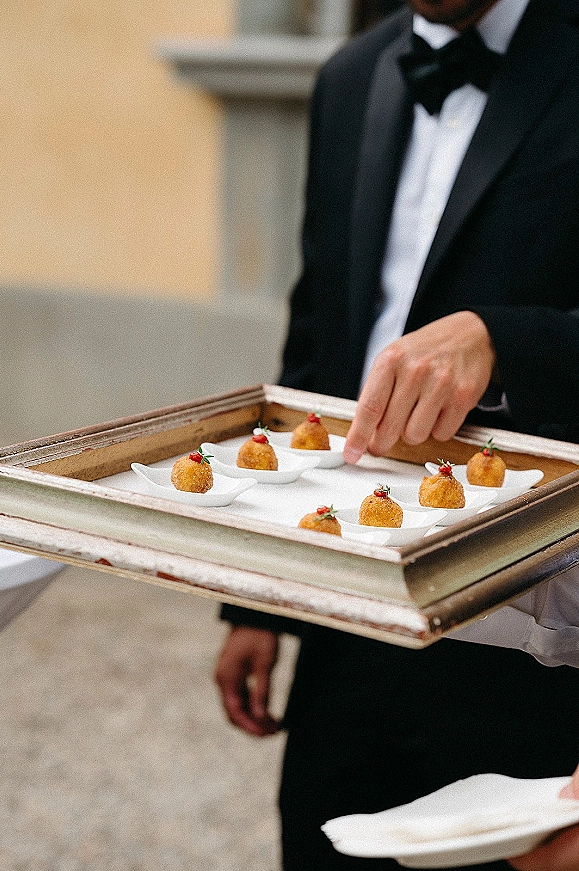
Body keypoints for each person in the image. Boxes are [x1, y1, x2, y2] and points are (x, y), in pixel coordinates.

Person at [215, 0, 579, 869]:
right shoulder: (348, 75)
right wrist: (257, 599)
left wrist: (505, 339)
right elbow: (316, 339)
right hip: (352, 616)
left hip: (532, 624)